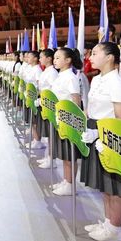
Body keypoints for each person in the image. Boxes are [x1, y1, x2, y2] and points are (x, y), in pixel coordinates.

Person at [80, 42, 121, 241]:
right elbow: (91, 107)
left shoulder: (117, 83)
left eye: (95, 54)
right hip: (95, 129)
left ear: (110, 57)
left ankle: (115, 229)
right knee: (103, 183)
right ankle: (108, 222)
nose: (90, 57)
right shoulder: (97, 79)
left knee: (114, 185)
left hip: (109, 133)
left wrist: (106, 138)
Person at [50, 47, 83, 196]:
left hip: (68, 119)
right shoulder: (61, 75)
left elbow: (76, 100)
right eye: (54, 58)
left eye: (58, 58)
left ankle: (71, 184)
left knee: (70, 155)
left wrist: (74, 121)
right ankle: (66, 180)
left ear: (68, 60)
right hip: (60, 117)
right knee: (64, 154)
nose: (54, 60)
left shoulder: (71, 77)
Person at [36, 49, 59, 169]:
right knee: (48, 133)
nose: (40, 59)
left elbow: (53, 91)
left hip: (50, 105)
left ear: (49, 58)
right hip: (44, 103)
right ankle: (48, 156)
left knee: (51, 134)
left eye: (41, 57)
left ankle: (52, 159)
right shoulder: (46, 71)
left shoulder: (52, 73)